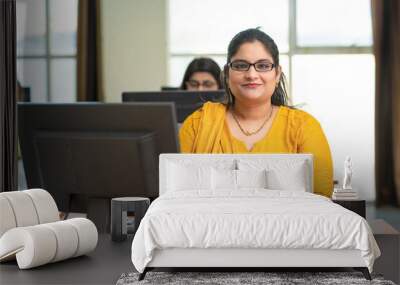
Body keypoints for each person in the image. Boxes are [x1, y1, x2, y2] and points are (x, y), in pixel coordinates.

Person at [179, 28, 333, 197]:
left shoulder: (303, 127)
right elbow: (177, 194)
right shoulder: (198, 124)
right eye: (240, 65)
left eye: (263, 66)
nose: (251, 75)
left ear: (277, 74)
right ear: (227, 74)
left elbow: (320, 199)